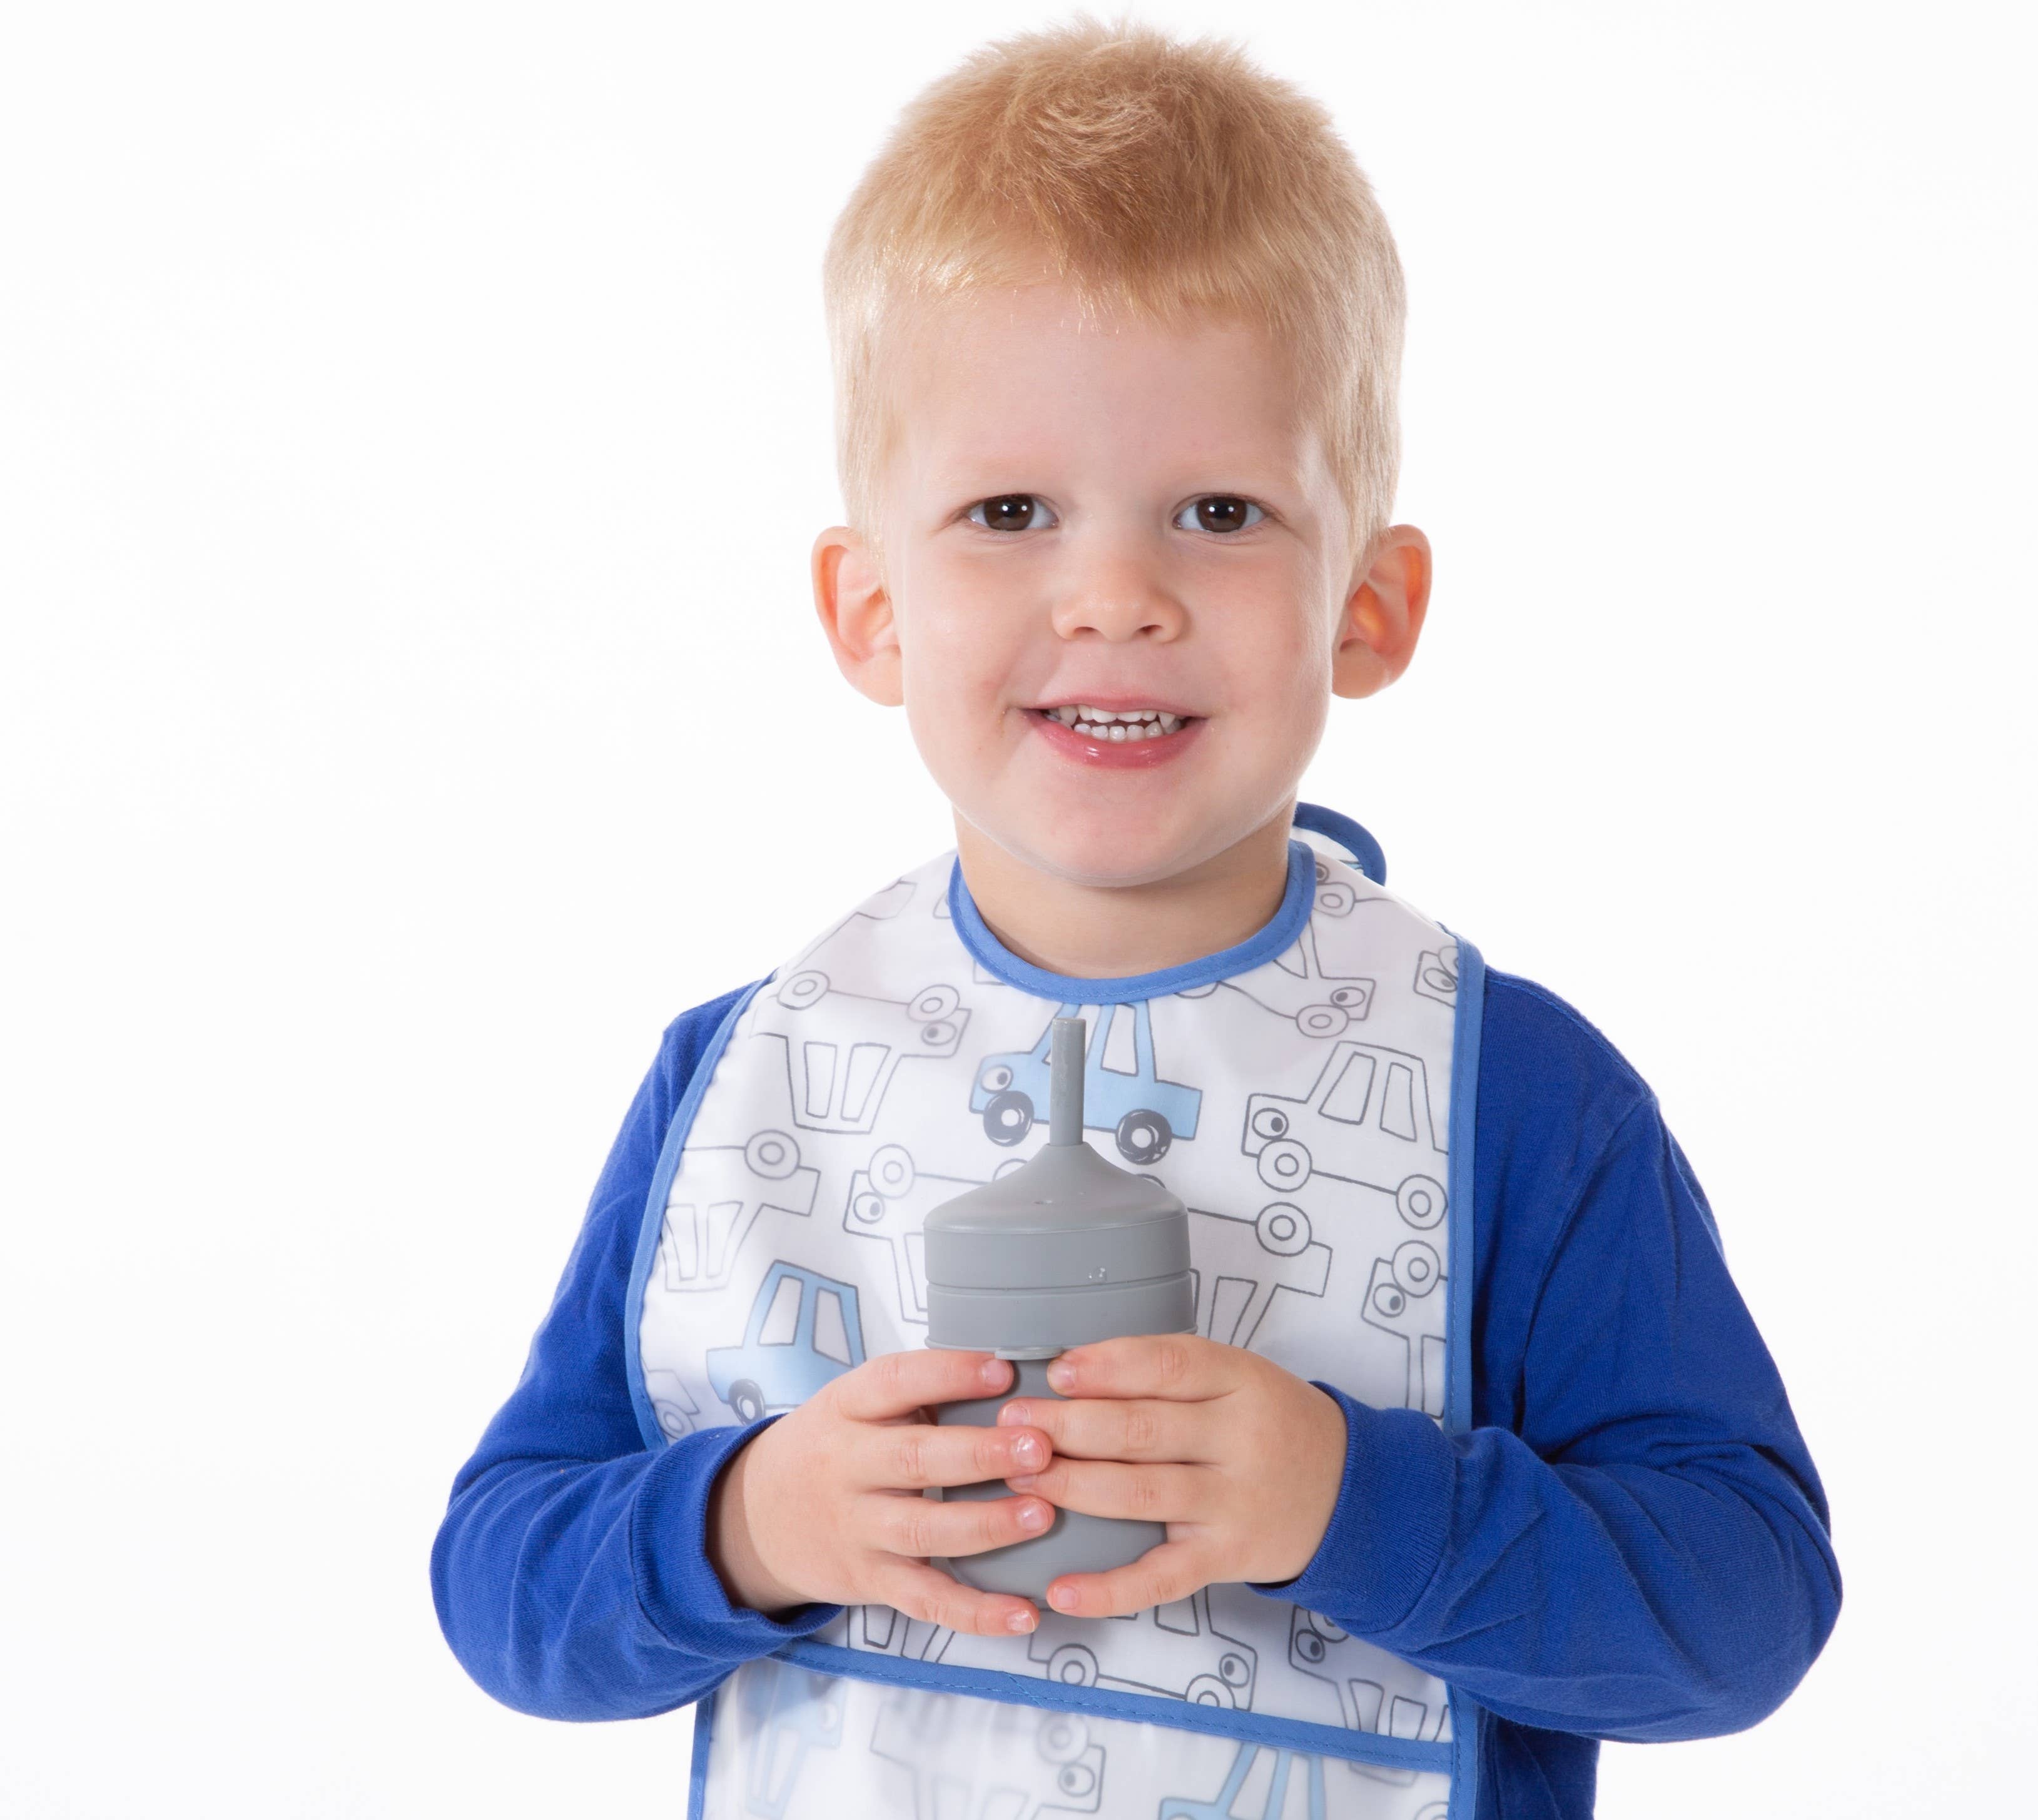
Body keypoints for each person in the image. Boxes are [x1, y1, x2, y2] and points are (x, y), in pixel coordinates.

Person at [430, 19, 1839, 1818]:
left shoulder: (1512, 1100)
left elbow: (1741, 1614)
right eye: (1008, 510)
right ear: (868, 610)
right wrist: (749, 1521)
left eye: (1219, 512)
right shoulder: (752, 1072)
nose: (1114, 593)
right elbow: (501, 1591)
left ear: (1369, 606)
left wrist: (1350, 1502)